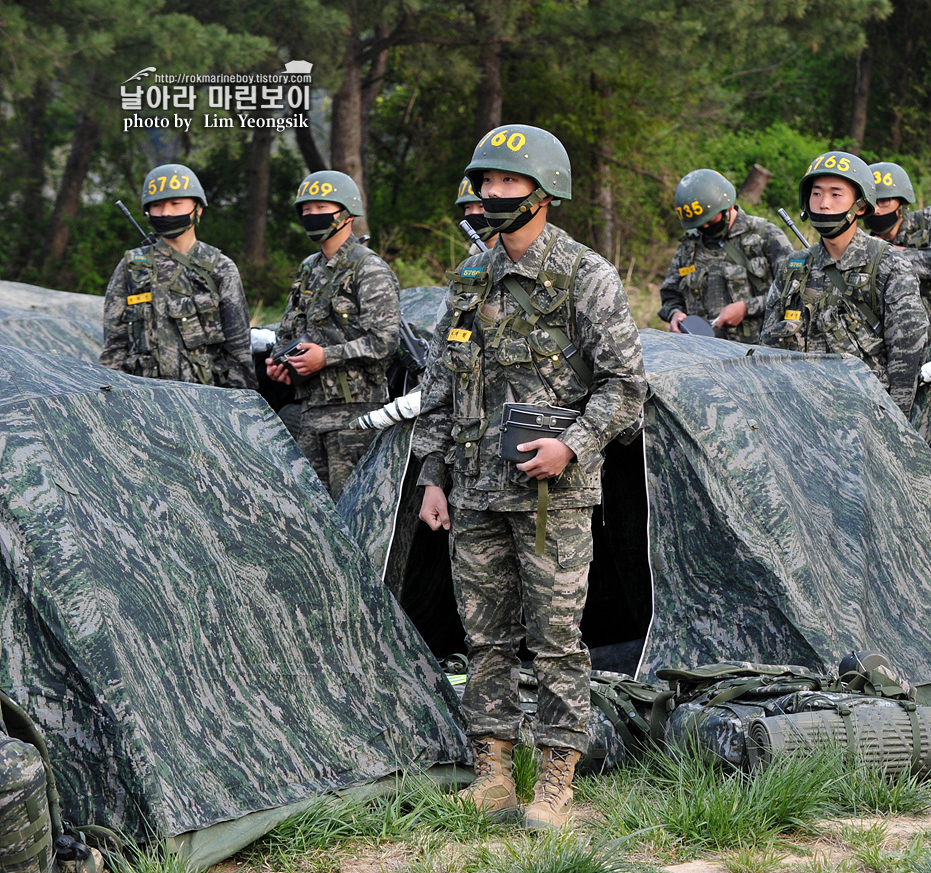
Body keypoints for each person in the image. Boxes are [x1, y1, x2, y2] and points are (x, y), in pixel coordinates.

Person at [413, 125, 645, 830]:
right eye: (485, 183)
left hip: (553, 497)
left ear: (543, 194)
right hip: (476, 490)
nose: (491, 195)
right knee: (483, 638)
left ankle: (554, 781)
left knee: (555, 642)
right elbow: (440, 386)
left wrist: (570, 447)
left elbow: (626, 387)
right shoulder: (468, 277)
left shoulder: (585, 276)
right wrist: (432, 477)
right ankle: (491, 775)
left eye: (508, 184)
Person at [265, 170, 401, 497]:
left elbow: (385, 341)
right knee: (313, 511)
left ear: (347, 213)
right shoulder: (308, 268)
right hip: (311, 411)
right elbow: (290, 330)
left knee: (352, 510)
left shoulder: (369, 269)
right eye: (306, 210)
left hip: (355, 415)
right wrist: (279, 363)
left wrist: (326, 357)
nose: (312, 216)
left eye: (321, 208)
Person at [760, 151, 927, 414]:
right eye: (816, 194)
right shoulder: (794, 267)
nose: (824, 204)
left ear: (860, 206)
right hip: (799, 414)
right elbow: (768, 348)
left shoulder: (889, 264)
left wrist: (897, 423)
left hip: (865, 417)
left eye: (836, 194)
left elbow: (907, 352)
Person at [101, 163, 255, 389]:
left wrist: (238, 405)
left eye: (176, 203)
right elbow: (114, 346)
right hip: (144, 400)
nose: (166, 212)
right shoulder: (131, 267)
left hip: (206, 400)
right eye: (157, 205)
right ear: (148, 211)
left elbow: (239, 350)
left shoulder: (220, 267)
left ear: (198, 209)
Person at [658, 169, 793, 343]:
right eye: (699, 223)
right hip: (703, 354)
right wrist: (674, 314)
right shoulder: (689, 246)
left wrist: (747, 308)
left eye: (709, 220)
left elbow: (793, 291)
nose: (705, 226)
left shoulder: (765, 236)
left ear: (727, 206)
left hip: (758, 354)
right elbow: (670, 295)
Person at [864, 161, 931, 340]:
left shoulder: (929, 219)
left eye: (884, 201)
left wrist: (891, 254)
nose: (877, 210)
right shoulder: (865, 244)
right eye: (872, 203)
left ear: (901, 203)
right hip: (897, 335)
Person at [457, 175, 499, 250]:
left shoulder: (518, 251)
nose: (474, 212)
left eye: (481, 206)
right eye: (468, 207)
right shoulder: (474, 253)